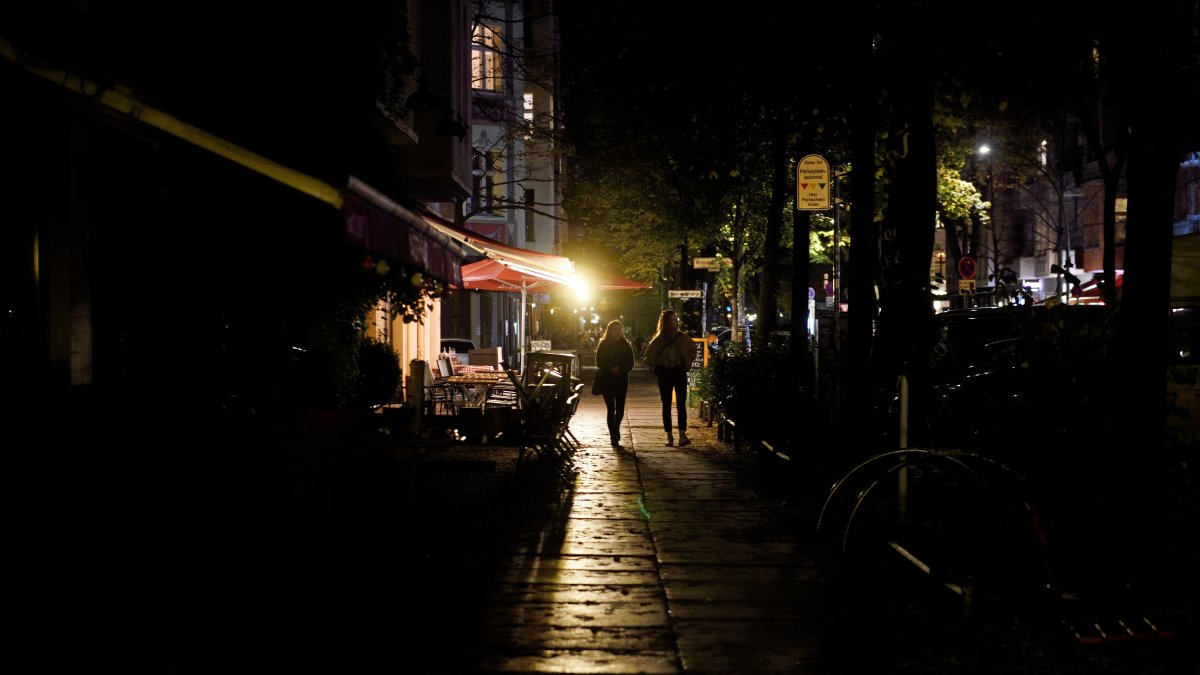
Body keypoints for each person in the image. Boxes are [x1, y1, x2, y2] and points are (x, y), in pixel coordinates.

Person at [643, 309, 697, 446]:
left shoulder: (682, 338)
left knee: (681, 404)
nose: (674, 322)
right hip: (665, 373)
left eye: (675, 319)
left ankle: (682, 435)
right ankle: (669, 435)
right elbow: (649, 357)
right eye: (671, 320)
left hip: (679, 371)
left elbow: (693, 350)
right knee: (666, 404)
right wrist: (657, 366)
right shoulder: (658, 340)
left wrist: (687, 362)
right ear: (664, 322)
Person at [594, 319, 635, 449]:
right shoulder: (604, 344)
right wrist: (610, 367)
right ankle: (613, 436)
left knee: (621, 408)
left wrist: (620, 369)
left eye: (619, 329)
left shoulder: (625, 345)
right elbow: (599, 362)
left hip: (621, 380)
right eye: (615, 329)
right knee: (611, 408)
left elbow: (630, 363)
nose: (618, 331)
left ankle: (616, 428)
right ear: (609, 330)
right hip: (607, 380)